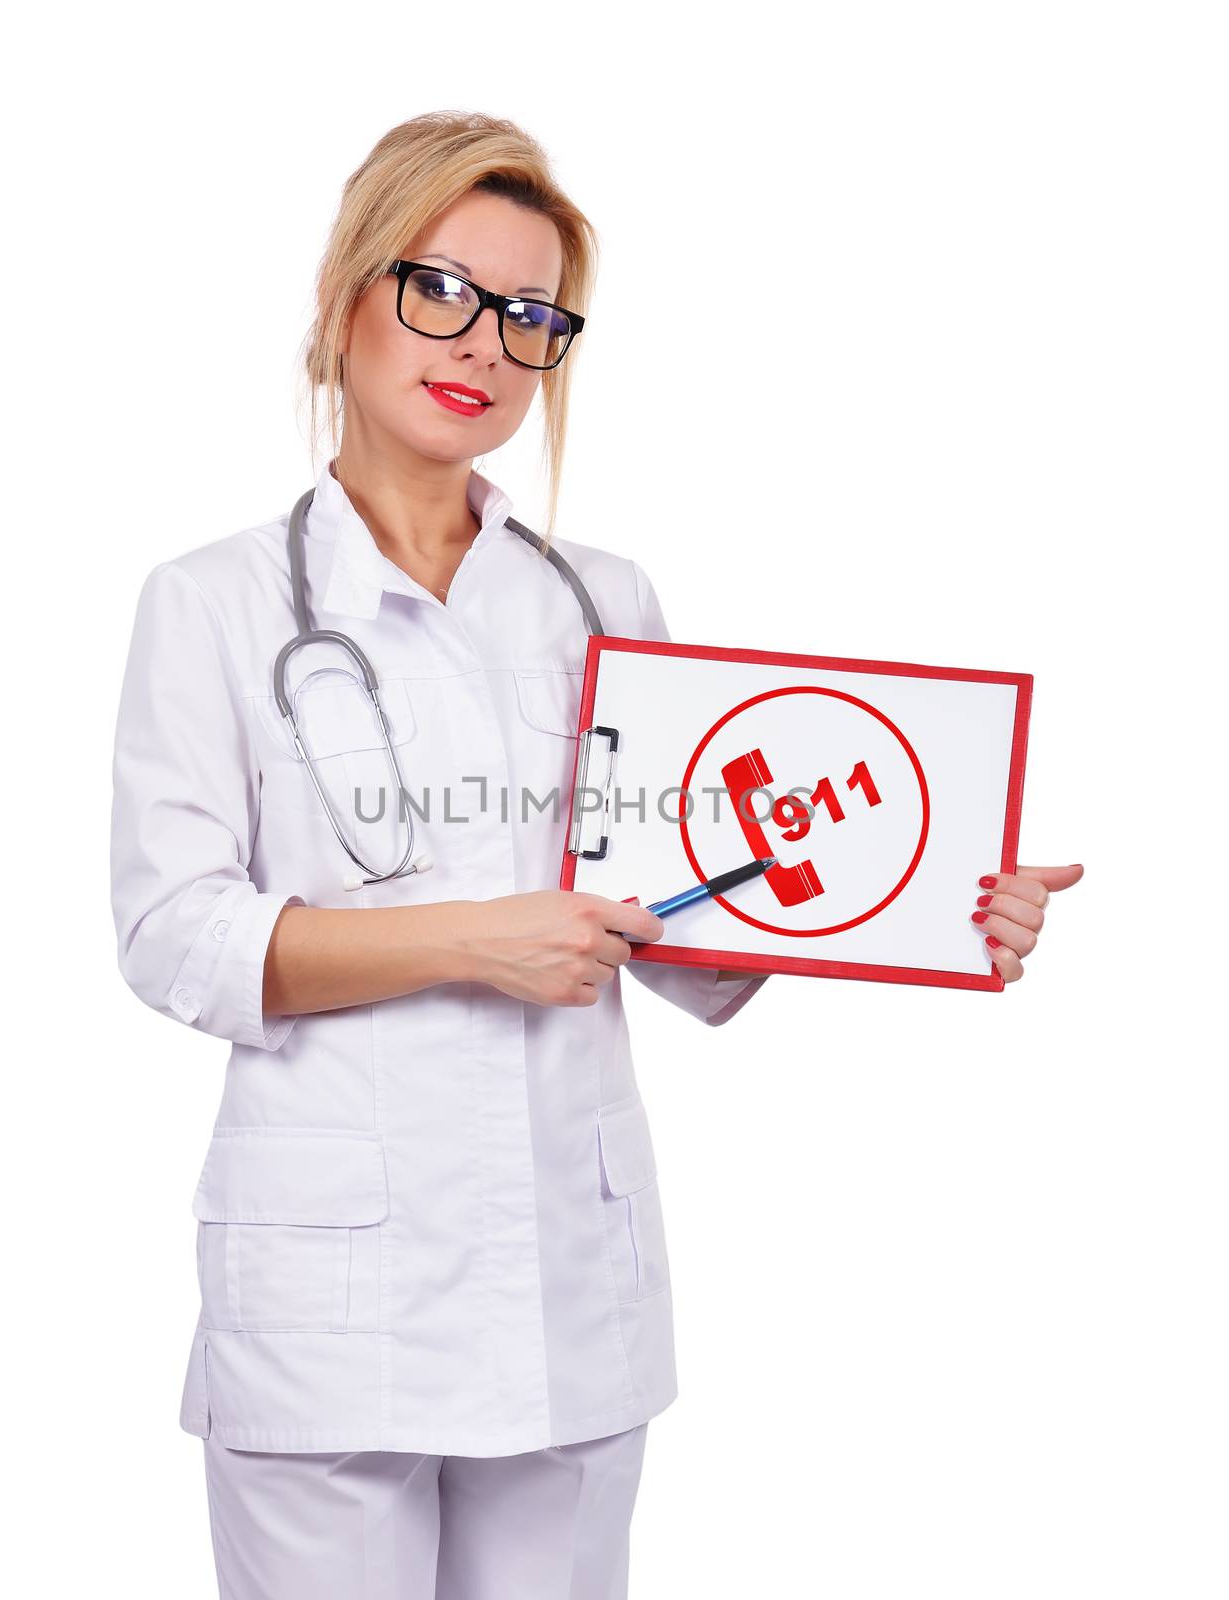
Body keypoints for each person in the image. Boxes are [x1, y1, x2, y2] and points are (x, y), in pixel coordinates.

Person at [108, 111, 1083, 1600]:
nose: (485, 345)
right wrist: (472, 938)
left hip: (565, 1268)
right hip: (329, 1292)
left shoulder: (606, 605)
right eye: (442, 289)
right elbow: (176, 936)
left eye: (532, 316)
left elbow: (691, 928)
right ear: (346, 293)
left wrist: (939, 897)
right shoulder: (216, 603)